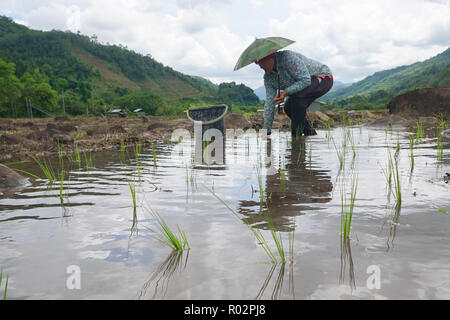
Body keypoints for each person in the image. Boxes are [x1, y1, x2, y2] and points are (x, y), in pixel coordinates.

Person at [255, 50, 333, 137]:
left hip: (323, 77)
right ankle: (310, 133)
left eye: (262, 62)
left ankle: (296, 140)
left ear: (271, 58)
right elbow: (269, 103)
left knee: (297, 100)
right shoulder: (269, 78)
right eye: (258, 63)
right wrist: (266, 130)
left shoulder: (287, 58)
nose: (261, 66)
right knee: (288, 107)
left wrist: (286, 92)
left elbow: (305, 80)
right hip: (303, 88)